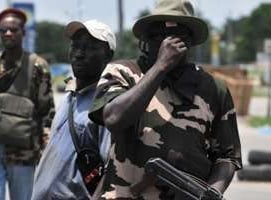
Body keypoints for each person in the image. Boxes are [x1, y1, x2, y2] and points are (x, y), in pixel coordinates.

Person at [88, 0, 242, 199]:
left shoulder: (212, 88)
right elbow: (114, 119)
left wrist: (212, 192)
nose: (167, 42)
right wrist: (160, 67)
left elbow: (227, 156)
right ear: (144, 40)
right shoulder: (123, 72)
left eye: (176, 35)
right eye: (157, 35)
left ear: (190, 41)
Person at [31, 19, 115, 200]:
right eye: (75, 46)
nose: (79, 54)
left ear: (108, 55)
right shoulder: (70, 95)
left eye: (90, 48)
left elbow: (110, 171)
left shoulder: (106, 104)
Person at [0, 8, 55, 200]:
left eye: (13, 30)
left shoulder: (37, 66)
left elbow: (47, 112)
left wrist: (45, 151)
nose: (8, 34)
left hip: (23, 153)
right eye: (3, 30)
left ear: (23, 32)